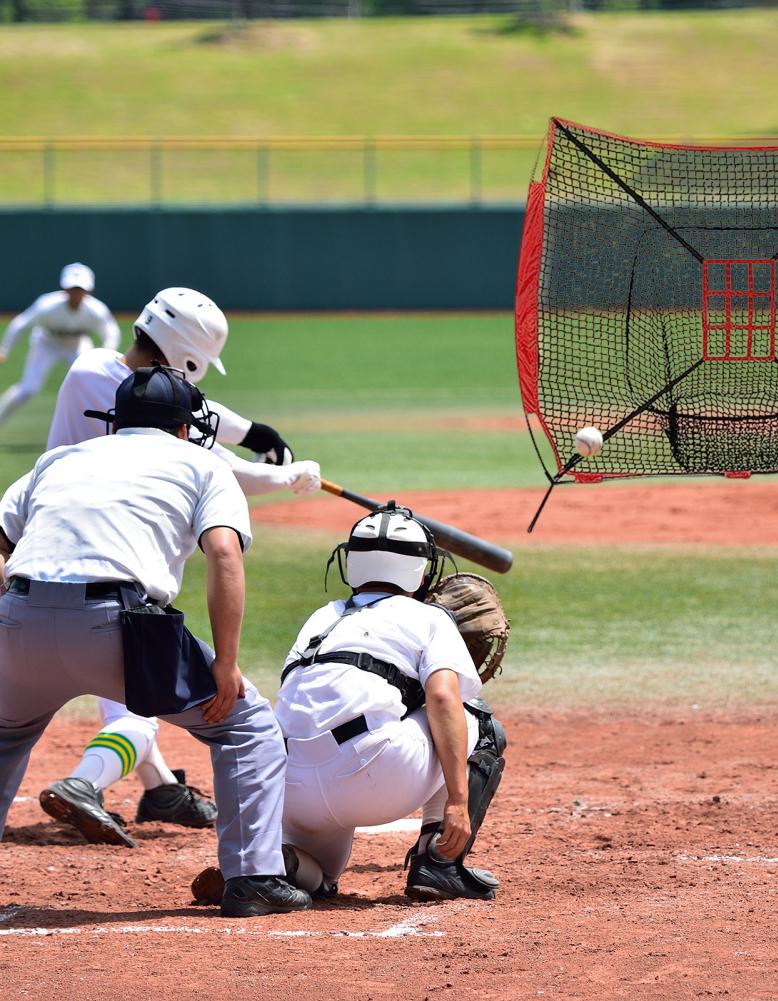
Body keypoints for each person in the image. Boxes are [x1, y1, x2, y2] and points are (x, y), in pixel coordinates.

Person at [0, 366, 312, 917]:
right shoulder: (201, 465)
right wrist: (228, 663)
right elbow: (223, 555)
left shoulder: (61, 459)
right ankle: (252, 881)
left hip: (18, 616)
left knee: (4, 735)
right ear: (185, 429)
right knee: (248, 728)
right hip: (119, 631)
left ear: (115, 421)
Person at [37, 287, 324, 847]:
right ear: (183, 357)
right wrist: (283, 475)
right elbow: (210, 460)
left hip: (63, 560)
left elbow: (199, 417)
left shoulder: (96, 372)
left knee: (118, 693)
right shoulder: (102, 379)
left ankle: (161, 787)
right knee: (144, 698)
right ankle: (84, 781)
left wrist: (253, 433)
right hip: (111, 569)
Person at [192, 502, 507, 906]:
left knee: (319, 875)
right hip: (376, 776)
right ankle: (440, 863)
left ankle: (278, 864)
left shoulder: (321, 617)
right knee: (475, 718)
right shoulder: (429, 617)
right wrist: (458, 803)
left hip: (290, 783)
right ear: (421, 570)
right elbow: (444, 697)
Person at [0, 263, 119, 430]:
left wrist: (107, 355)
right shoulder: (47, 305)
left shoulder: (96, 310)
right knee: (28, 389)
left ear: (89, 290)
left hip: (77, 344)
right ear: (64, 288)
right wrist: (4, 350)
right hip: (46, 343)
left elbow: (111, 333)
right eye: (72, 288)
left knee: (91, 384)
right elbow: (20, 324)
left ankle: (102, 429)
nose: (76, 293)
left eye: (80, 289)